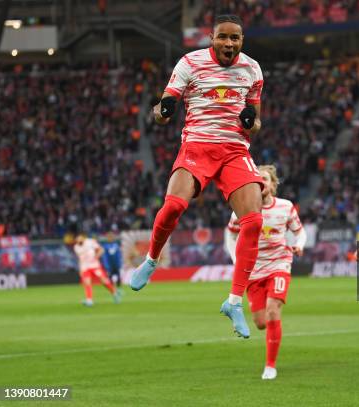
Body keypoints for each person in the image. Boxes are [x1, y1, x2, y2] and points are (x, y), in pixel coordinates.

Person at [130, 14, 264, 339]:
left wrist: (251, 122)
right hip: (198, 147)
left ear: (241, 41)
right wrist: (162, 112)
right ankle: (150, 260)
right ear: (212, 37)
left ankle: (234, 301)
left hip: (234, 151)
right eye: (223, 37)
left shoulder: (253, 70)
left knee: (254, 222)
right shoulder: (190, 62)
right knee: (174, 206)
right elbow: (162, 110)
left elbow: (255, 123)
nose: (229, 44)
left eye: (235, 38)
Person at [225, 165, 306, 380]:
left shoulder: (285, 207)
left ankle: (270, 366)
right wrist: (236, 258)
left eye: (265, 179)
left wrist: (299, 244)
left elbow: (300, 231)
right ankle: (270, 343)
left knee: (272, 311)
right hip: (253, 270)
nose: (261, 183)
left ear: (273, 184)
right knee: (261, 322)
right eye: (257, 179)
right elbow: (230, 235)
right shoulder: (242, 208)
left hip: (279, 264)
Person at [74, 234, 121, 306]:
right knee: (87, 282)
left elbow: (101, 250)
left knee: (104, 281)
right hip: (85, 267)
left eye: (79, 239)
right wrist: (80, 269)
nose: (78, 241)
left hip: (95, 266)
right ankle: (89, 300)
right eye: (77, 239)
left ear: (83, 238)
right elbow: (80, 259)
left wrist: (96, 256)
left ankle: (114, 293)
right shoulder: (76, 247)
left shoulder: (90, 242)